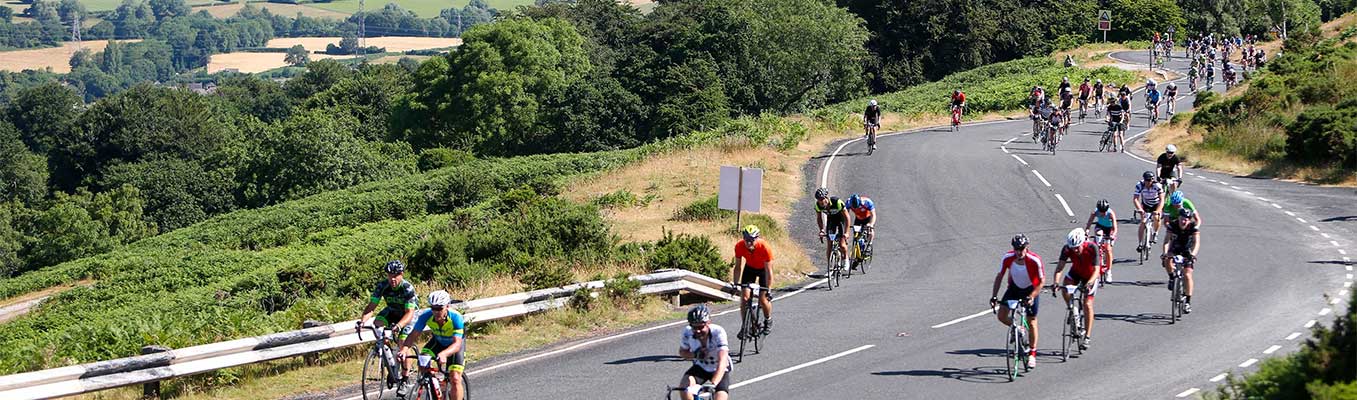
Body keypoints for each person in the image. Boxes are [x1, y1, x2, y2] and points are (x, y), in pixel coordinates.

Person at [357, 260, 419, 395]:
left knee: (403, 342)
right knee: (378, 325)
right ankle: (390, 363)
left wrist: (399, 326)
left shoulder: (407, 288)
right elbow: (371, 307)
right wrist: (362, 322)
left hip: (407, 315)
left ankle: (405, 378)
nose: (392, 279)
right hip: (391, 311)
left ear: (401, 274)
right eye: (390, 275)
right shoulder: (382, 286)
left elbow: (409, 313)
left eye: (395, 275)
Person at [399, 290, 467, 400]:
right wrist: (403, 350)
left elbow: (457, 344)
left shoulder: (456, 317)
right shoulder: (425, 316)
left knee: (455, 378)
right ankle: (436, 385)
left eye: (439, 308)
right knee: (423, 363)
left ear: (447, 306)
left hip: (454, 346)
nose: (436, 312)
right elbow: (413, 335)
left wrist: (444, 354)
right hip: (438, 342)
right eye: (433, 308)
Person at [991, 234, 1043, 370]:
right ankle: (1018, 328)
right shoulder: (1008, 258)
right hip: (1014, 289)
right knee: (1001, 316)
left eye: (1022, 248)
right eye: (1016, 249)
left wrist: (1032, 296)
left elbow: (1042, 281)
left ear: (1027, 247)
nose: (1019, 252)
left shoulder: (1034, 260)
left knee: (1031, 321)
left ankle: (1032, 353)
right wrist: (994, 296)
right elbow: (1000, 276)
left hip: (1031, 289)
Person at [1052, 228, 1100, 350]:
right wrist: (1056, 283)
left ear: (1083, 242)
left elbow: (1096, 270)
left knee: (1087, 304)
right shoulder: (1067, 248)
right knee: (1065, 287)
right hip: (1076, 272)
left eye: (1077, 247)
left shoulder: (1092, 247)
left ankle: (1087, 337)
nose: (1075, 250)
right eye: (1073, 248)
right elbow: (1059, 268)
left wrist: (1089, 284)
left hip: (1090, 276)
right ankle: (1073, 310)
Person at [678, 305, 731, 400]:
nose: (697, 331)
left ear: (708, 323)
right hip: (701, 367)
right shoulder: (687, 332)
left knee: (720, 397)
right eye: (694, 327)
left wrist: (713, 384)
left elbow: (722, 361)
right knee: (684, 389)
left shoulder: (718, 332)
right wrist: (695, 354)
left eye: (701, 327)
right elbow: (682, 352)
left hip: (718, 368)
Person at [732, 225, 773, 336]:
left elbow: (769, 271)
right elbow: (738, 267)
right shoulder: (739, 246)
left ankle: (768, 319)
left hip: (763, 270)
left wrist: (769, 289)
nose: (748, 243)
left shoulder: (764, 247)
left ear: (756, 239)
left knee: (763, 299)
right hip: (749, 269)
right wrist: (735, 284)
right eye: (746, 240)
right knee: (744, 299)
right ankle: (746, 326)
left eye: (751, 240)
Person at [1161, 209, 1201, 314]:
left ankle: (1188, 302)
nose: (1183, 221)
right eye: (1182, 219)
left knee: (1187, 275)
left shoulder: (1193, 227)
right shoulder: (1172, 225)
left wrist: (1193, 255)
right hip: (1175, 248)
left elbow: (1196, 243)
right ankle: (1171, 278)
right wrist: (1165, 253)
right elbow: (1166, 241)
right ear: (1178, 218)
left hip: (1187, 251)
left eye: (1186, 220)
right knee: (1167, 261)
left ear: (1189, 220)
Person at [814, 188, 851, 274]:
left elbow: (847, 217)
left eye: (822, 199)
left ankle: (845, 259)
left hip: (841, 220)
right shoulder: (818, 206)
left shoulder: (836, 202)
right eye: (819, 200)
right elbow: (819, 218)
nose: (821, 202)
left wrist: (847, 232)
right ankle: (830, 264)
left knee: (842, 244)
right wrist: (822, 230)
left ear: (826, 197)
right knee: (829, 244)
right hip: (831, 221)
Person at [1083, 199, 1117, 280]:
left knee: (1108, 249)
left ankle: (1109, 271)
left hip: (1110, 229)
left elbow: (1115, 228)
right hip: (1100, 227)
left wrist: (1113, 235)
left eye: (1104, 211)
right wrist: (1087, 231)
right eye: (1101, 212)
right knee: (1098, 236)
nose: (1103, 213)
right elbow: (1089, 223)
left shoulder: (1110, 213)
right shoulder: (1095, 212)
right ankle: (1098, 254)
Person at [1133, 171, 1166, 253]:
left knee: (1156, 217)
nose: (1147, 182)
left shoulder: (1157, 186)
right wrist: (1139, 209)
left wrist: (1158, 210)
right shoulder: (1139, 185)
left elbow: (1162, 200)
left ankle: (1155, 233)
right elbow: (1135, 199)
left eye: (1149, 181)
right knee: (1143, 222)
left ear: (1152, 180)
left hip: (1156, 204)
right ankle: (1140, 244)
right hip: (1145, 205)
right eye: (1146, 180)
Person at [846, 193, 877, 260]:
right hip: (858, 219)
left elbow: (873, 215)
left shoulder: (867, 202)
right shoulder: (848, 202)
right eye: (854, 207)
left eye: (857, 207)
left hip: (867, 219)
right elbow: (845, 214)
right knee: (856, 236)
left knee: (870, 231)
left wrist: (871, 224)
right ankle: (857, 252)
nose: (856, 209)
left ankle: (869, 244)